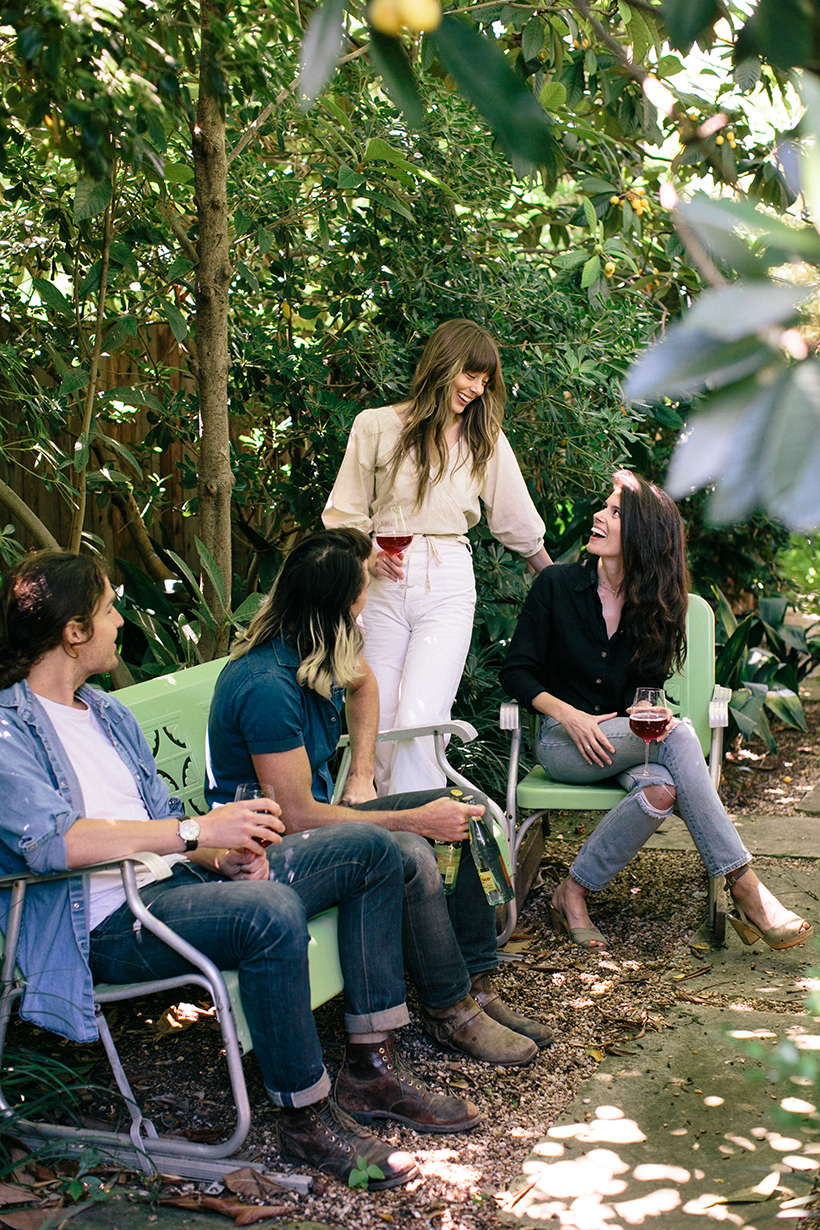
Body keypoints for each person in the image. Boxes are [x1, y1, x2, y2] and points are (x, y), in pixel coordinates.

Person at [0, 550, 489, 1195]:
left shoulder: (107, 714)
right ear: (74, 632)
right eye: (108, 609)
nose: (119, 621)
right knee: (270, 911)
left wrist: (220, 850)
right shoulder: (11, 728)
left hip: (173, 887)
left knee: (371, 849)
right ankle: (305, 1120)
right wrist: (197, 832)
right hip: (103, 924)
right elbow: (52, 843)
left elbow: (168, 821)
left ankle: (370, 1071)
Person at [206, 528, 552, 1067]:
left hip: (317, 826)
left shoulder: (314, 646)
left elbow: (364, 686)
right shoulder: (267, 687)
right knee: (414, 848)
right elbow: (294, 817)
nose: (368, 599)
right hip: (259, 850)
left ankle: (477, 983)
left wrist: (362, 772)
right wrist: (414, 819)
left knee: (463, 814)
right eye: (362, 590)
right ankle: (450, 1010)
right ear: (339, 607)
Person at [499, 471, 813, 953]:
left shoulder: (658, 605)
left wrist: (647, 712)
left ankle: (573, 893)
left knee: (663, 790)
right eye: (604, 507)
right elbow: (516, 673)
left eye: (615, 513)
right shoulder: (556, 586)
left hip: (626, 744)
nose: (599, 517)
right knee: (681, 737)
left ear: (642, 534)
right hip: (566, 744)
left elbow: (645, 692)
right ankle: (746, 888)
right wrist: (571, 715)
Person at [322, 319, 552, 795]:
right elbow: (343, 511)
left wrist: (554, 580)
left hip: (447, 579)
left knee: (421, 717)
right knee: (379, 722)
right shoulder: (376, 426)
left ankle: (419, 837)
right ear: (443, 363)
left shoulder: (484, 440)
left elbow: (518, 521)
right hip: (382, 584)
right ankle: (385, 843)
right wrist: (366, 552)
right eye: (470, 374)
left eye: (485, 381)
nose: (475, 389)